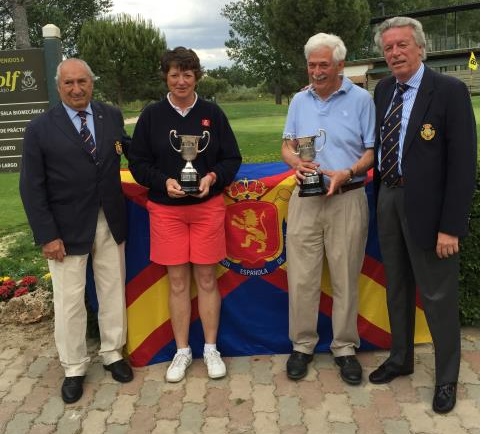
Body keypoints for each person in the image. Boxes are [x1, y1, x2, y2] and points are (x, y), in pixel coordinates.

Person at [369, 17, 477, 414]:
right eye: (388, 48)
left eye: (401, 45)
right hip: (389, 200)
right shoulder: (382, 90)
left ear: (419, 47)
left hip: (431, 213)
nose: (394, 53)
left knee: (437, 295)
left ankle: (446, 377)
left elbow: (464, 165)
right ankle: (401, 358)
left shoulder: (448, 91)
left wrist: (451, 227)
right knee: (396, 286)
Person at [19, 58, 133, 404]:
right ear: (59, 87)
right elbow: (31, 187)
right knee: (70, 302)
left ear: (92, 83)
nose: (76, 89)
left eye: (82, 81)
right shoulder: (40, 128)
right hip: (65, 230)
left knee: (112, 289)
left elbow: (132, 153)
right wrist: (47, 235)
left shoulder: (110, 116)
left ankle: (113, 353)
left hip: (109, 219)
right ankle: (74, 367)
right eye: (69, 83)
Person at [128, 47, 242, 382]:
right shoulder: (151, 115)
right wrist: (163, 181)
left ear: (196, 77)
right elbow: (137, 163)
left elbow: (231, 159)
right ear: (166, 76)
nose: (181, 81)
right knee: (177, 283)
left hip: (206, 209)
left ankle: (210, 348)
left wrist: (211, 178)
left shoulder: (212, 113)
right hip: (166, 211)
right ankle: (182, 351)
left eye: (187, 74)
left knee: (206, 279)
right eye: (175, 74)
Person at [281, 33, 375, 385]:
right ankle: (302, 345)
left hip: (347, 197)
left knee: (346, 277)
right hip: (305, 199)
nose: (316, 71)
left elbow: (371, 152)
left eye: (323, 64)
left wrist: (347, 171)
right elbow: (287, 146)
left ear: (340, 65)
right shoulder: (299, 100)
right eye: (311, 64)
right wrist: (295, 162)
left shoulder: (362, 99)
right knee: (301, 277)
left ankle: (345, 347)